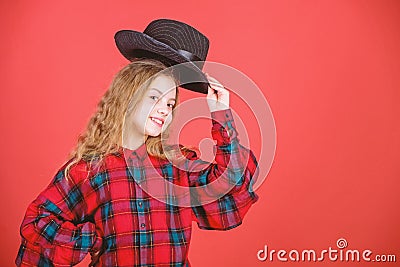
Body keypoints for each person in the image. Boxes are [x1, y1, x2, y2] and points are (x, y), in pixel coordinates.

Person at [16, 19, 259, 267]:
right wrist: (89, 238)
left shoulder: (178, 165)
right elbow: (37, 223)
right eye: (154, 97)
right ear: (128, 97)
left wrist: (221, 113)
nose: (164, 110)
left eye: (170, 103)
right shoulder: (91, 170)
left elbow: (229, 187)